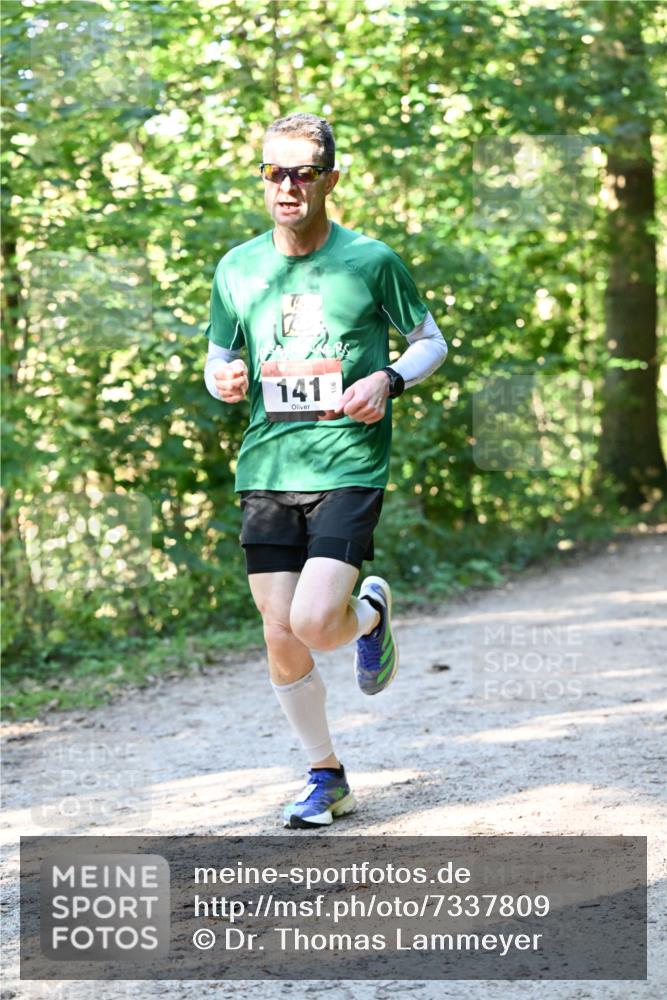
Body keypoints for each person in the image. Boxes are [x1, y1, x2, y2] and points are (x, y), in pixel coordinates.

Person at [204, 113, 447, 828]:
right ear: (262, 180)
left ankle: (366, 611)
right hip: (266, 463)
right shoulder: (238, 266)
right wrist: (221, 376)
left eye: (302, 173)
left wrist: (388, 381)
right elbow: (220, 354)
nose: (287, 186)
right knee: (278, 630)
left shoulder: (370, 260)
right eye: (273, 172)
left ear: (328, 180)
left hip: (348, 462)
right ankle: (324, 774)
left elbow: (429, 341)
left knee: (314, 621)